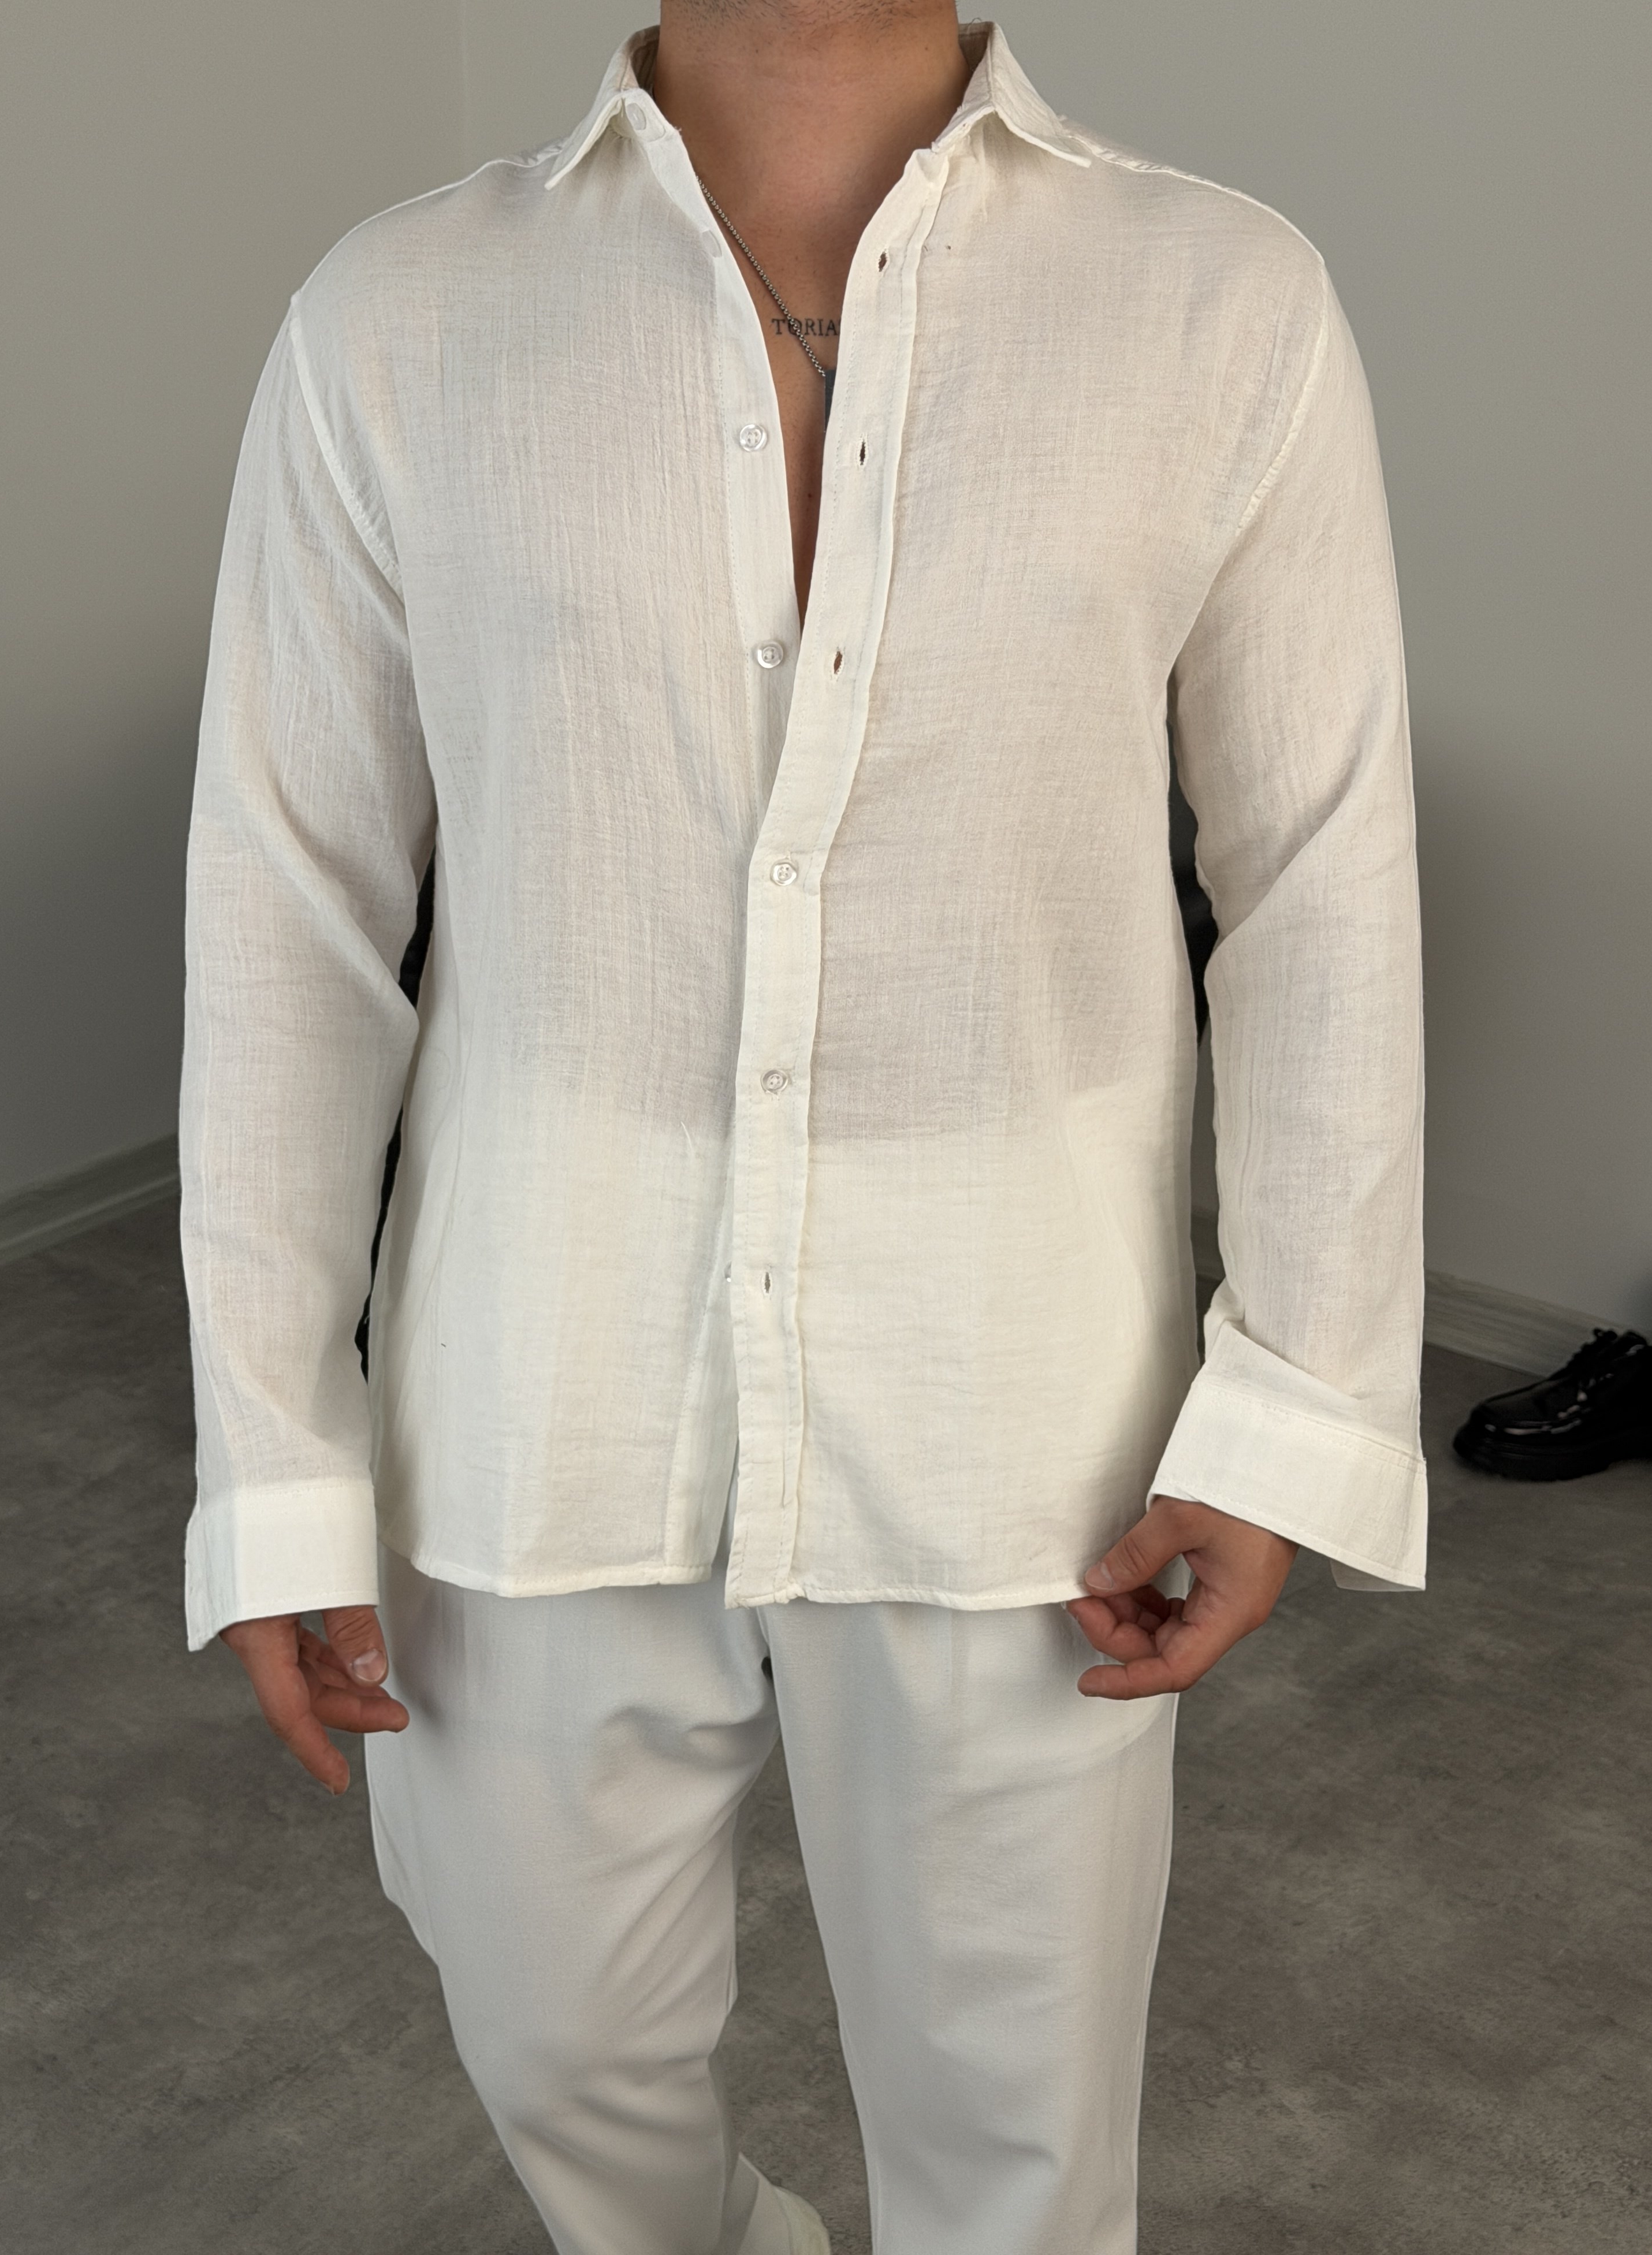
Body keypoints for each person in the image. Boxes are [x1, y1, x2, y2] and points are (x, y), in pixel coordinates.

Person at [178, 10, 1428, 2250]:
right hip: (533, 1379)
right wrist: (277, 1456)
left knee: (1015, 2146)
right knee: (554, 2046)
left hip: (1016, 1413)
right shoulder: (400, 311)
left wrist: (1296, 1400)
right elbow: (290, 907)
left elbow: (1319, 881)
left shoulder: (1218, 296)